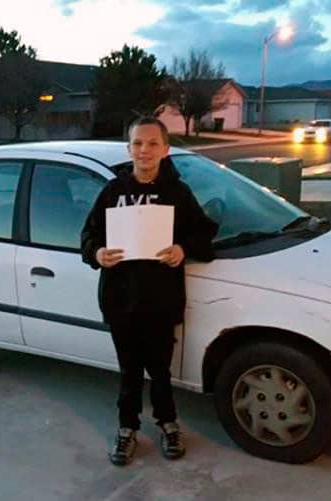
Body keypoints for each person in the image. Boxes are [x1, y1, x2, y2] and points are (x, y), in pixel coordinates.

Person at [81, 117, 218, 466]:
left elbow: (204, 234)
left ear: (165, 149)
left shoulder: (178, 193)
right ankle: (127, 429)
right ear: (129, 149)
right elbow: (88, 236)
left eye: (152, 143)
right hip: (121, 300)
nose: (145, 150)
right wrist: (97, 253)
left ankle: (168, 423)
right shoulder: (113, 191)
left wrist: (182, 249)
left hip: (161, 301)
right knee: (129, 372)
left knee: (160, 371)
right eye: (138, 143)